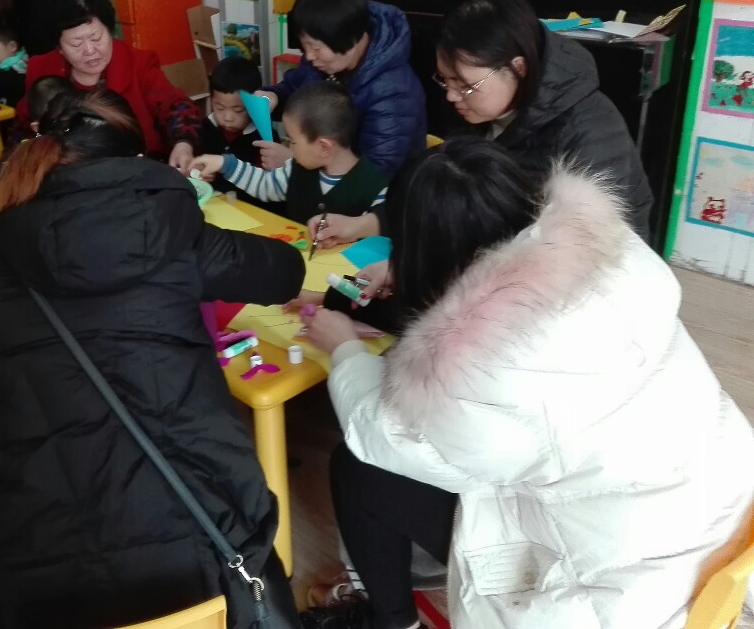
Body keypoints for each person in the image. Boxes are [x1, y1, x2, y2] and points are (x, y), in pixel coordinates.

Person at [300, 138, 754, 629]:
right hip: (722, 510)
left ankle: (394, 621)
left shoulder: (479, 373)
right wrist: (412, 273)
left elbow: (386, 435)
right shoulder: (615, 251)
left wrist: (345, 348)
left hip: (622, 595)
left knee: (359, 467)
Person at [0, 89, 304, 628]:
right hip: (192, 547)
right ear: (134, 163)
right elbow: (284, 271)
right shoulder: (171, 231)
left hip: (3, 564)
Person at [311, 0, 656, 249]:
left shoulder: (591, 131)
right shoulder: (477, 109)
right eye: (445, 80)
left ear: (517, 68)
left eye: (464, 84)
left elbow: (581, 255)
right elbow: (444, 195)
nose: (451, 95)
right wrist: (363, 225)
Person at [20, 0, 203, 173]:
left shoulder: (138, 64)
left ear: (110, 31)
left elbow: (176, 107)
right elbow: (22, 130)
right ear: (59, 47)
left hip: (137, 171)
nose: (90, 50)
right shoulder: (43, 70)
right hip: (67, 178)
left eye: (96, 38)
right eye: (76, 44)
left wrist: (184, 144)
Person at [255, 0, 427, 177]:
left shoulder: (394, 92)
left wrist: (293, 163)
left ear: (351, 39)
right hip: (322, 176)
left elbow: (373, 175)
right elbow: (297, 92)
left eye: (316, 47)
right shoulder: (323, 62)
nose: (309, 56)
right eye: (305, 46)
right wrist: (273, 98)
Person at [192, 82, 388, 224]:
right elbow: (264, 185)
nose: (289, 148)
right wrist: (224, 164)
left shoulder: (375, 186)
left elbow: (380, 238)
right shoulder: (294, 169)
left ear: (324, 147)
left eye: (293, 141)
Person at [201, 55, 269, 166]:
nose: (228, 118)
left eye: (238, 110)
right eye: (220, 108)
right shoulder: (203, 129)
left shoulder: (263, 138)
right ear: (211, 100)